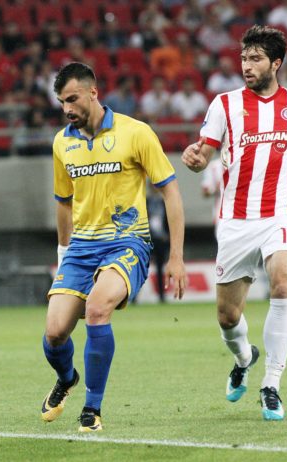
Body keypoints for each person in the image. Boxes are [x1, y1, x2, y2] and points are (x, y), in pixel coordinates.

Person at [41, 62, 187, 432]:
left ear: (93, 92)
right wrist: (62, 254)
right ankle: (67, 378)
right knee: (54, 334)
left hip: (128, 241)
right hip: (81, 247)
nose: (67, 108)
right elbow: (63, 203)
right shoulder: (62, 142)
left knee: (96, 308)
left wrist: (176, 256)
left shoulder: (135, 132)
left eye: (72, 99)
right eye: (62, 102)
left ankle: (92, 408)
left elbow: (170, 191)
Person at [181, 25, 287, 421]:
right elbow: (205, 153)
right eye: (244, 58)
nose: (247, 65)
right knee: (228, 316)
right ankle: (245, 358)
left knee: (283, 283)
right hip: (236, 220)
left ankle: (271, 385)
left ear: (276, 63)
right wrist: (196, 159)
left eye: (255, 59)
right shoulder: (225, 104)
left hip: (281, 213)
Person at [147, 183, 170, 303]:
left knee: (161, 268)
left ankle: (161, 296)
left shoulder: (163, 202)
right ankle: (134, 297)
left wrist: (167, 235)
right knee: (141, 267)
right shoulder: (146, 202)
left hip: (161, 239)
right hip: (148, 239)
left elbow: (168, 219)